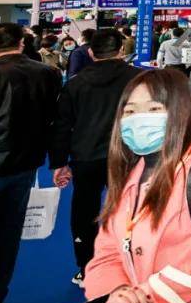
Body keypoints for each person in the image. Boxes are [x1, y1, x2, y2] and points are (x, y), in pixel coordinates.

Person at [84, 68, 191, 303]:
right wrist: (119, 295)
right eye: (130, 111)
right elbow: (108, 251)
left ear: (178, 112)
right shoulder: (129, 172)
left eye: (154, 109)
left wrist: (146, 294)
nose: (139, 119)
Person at [49, 28, 142, 286]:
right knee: (131, 208)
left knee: (84, 211)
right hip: (128, 156)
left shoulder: (76, 83)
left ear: (90, 52)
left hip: (85, 156)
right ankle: (133, 264)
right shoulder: (138, 79)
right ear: (121, 50)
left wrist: (59, 163)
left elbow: (62, 125)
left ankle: (86, 266)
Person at [0, 23, 61, 303]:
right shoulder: (48, 73)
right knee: (9, 232)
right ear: (21, 43)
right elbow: (55, 119)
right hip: (26, 162)